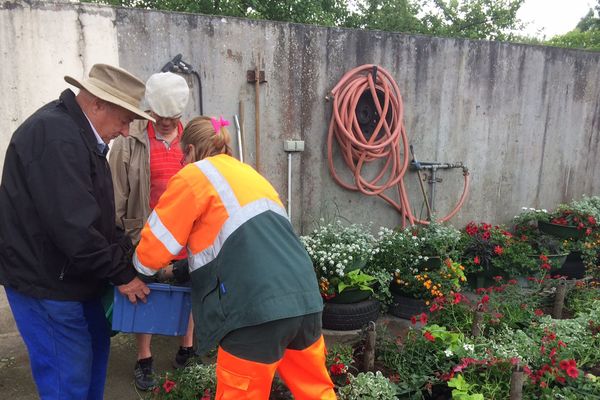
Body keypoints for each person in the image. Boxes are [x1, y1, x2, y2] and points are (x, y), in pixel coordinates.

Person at [132, 116, 336, 399]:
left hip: (254, 312)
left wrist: (137, 272)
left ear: (190, 150)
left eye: (182, 156)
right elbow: (239, 247)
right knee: (316, 391)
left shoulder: (195, 175)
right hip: (303, 300)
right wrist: (180, 271)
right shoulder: (250, 175)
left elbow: (153, 250)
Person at [0, 64, 151, 400]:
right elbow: (75, 228)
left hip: (76, 279)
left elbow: (95, 213)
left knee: (92, 362)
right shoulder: (54, 135)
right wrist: (124, 274)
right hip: (48, 284)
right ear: (97, 103)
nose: (126, 132)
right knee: (66, 381)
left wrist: (128, 253)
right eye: (124, 120)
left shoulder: (80, 134)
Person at [109, 71, 196, 390]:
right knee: (143, 293)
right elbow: (116, 194)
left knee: (190, 291)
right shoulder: (129, 141)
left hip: (187, 236)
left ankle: (187, 349)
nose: (165, 122)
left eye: (172, 116)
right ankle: (144, 358)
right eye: (160, 115)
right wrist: (119, 238)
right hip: (145, 236)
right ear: (150, 110)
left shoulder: (193, 141)